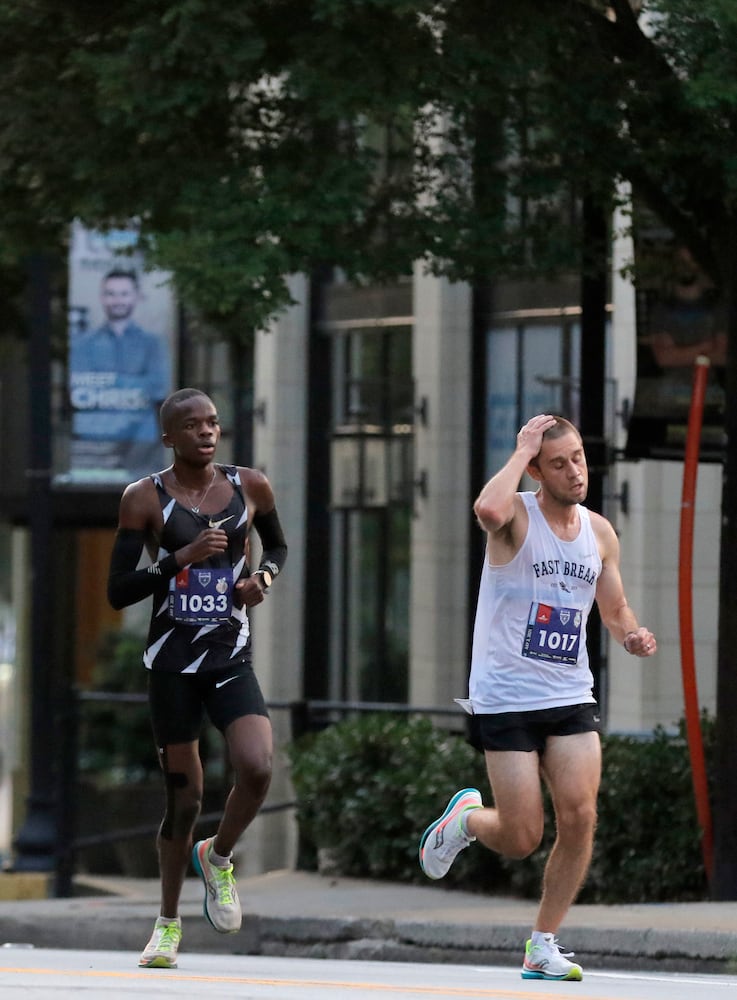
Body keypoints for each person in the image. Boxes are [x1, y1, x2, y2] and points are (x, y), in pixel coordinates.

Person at [418, 414, 656, 982]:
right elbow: (486, 511)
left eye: (578, 458)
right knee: (522, 837)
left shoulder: (599, 532)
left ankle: (543, 943)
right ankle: (467, 821)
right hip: (505, 696)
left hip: (570, 693)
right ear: (534, 470)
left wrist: (630, 633)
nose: (575, 472)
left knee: (580, 816)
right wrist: (519, 450)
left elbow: (614, 607)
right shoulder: (516, 517)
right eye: (558, 463)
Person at [107, 387, 287, 970]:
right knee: (184, 801)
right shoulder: (143, 499)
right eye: (193, 425)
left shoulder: (249, 486)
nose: (207, 432)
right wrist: (177, 561)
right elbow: (118, 591)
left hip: (228, 655)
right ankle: (166, 924)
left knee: (257, 767)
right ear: (170, 437)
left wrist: (262, 576)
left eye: (212, 422)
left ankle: (219, 856)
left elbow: (279, 545)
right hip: (171, 664)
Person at [69, 267, 172, 480]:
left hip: (142, 445)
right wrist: (135, 385)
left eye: (124, 294)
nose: (118, 300)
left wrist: (108, 383)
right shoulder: (83, 344)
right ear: (102, 297)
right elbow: (80, 389)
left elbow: (158, 387)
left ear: (135, 296)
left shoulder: (152, 343)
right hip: (96, 443)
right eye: (111, 294)